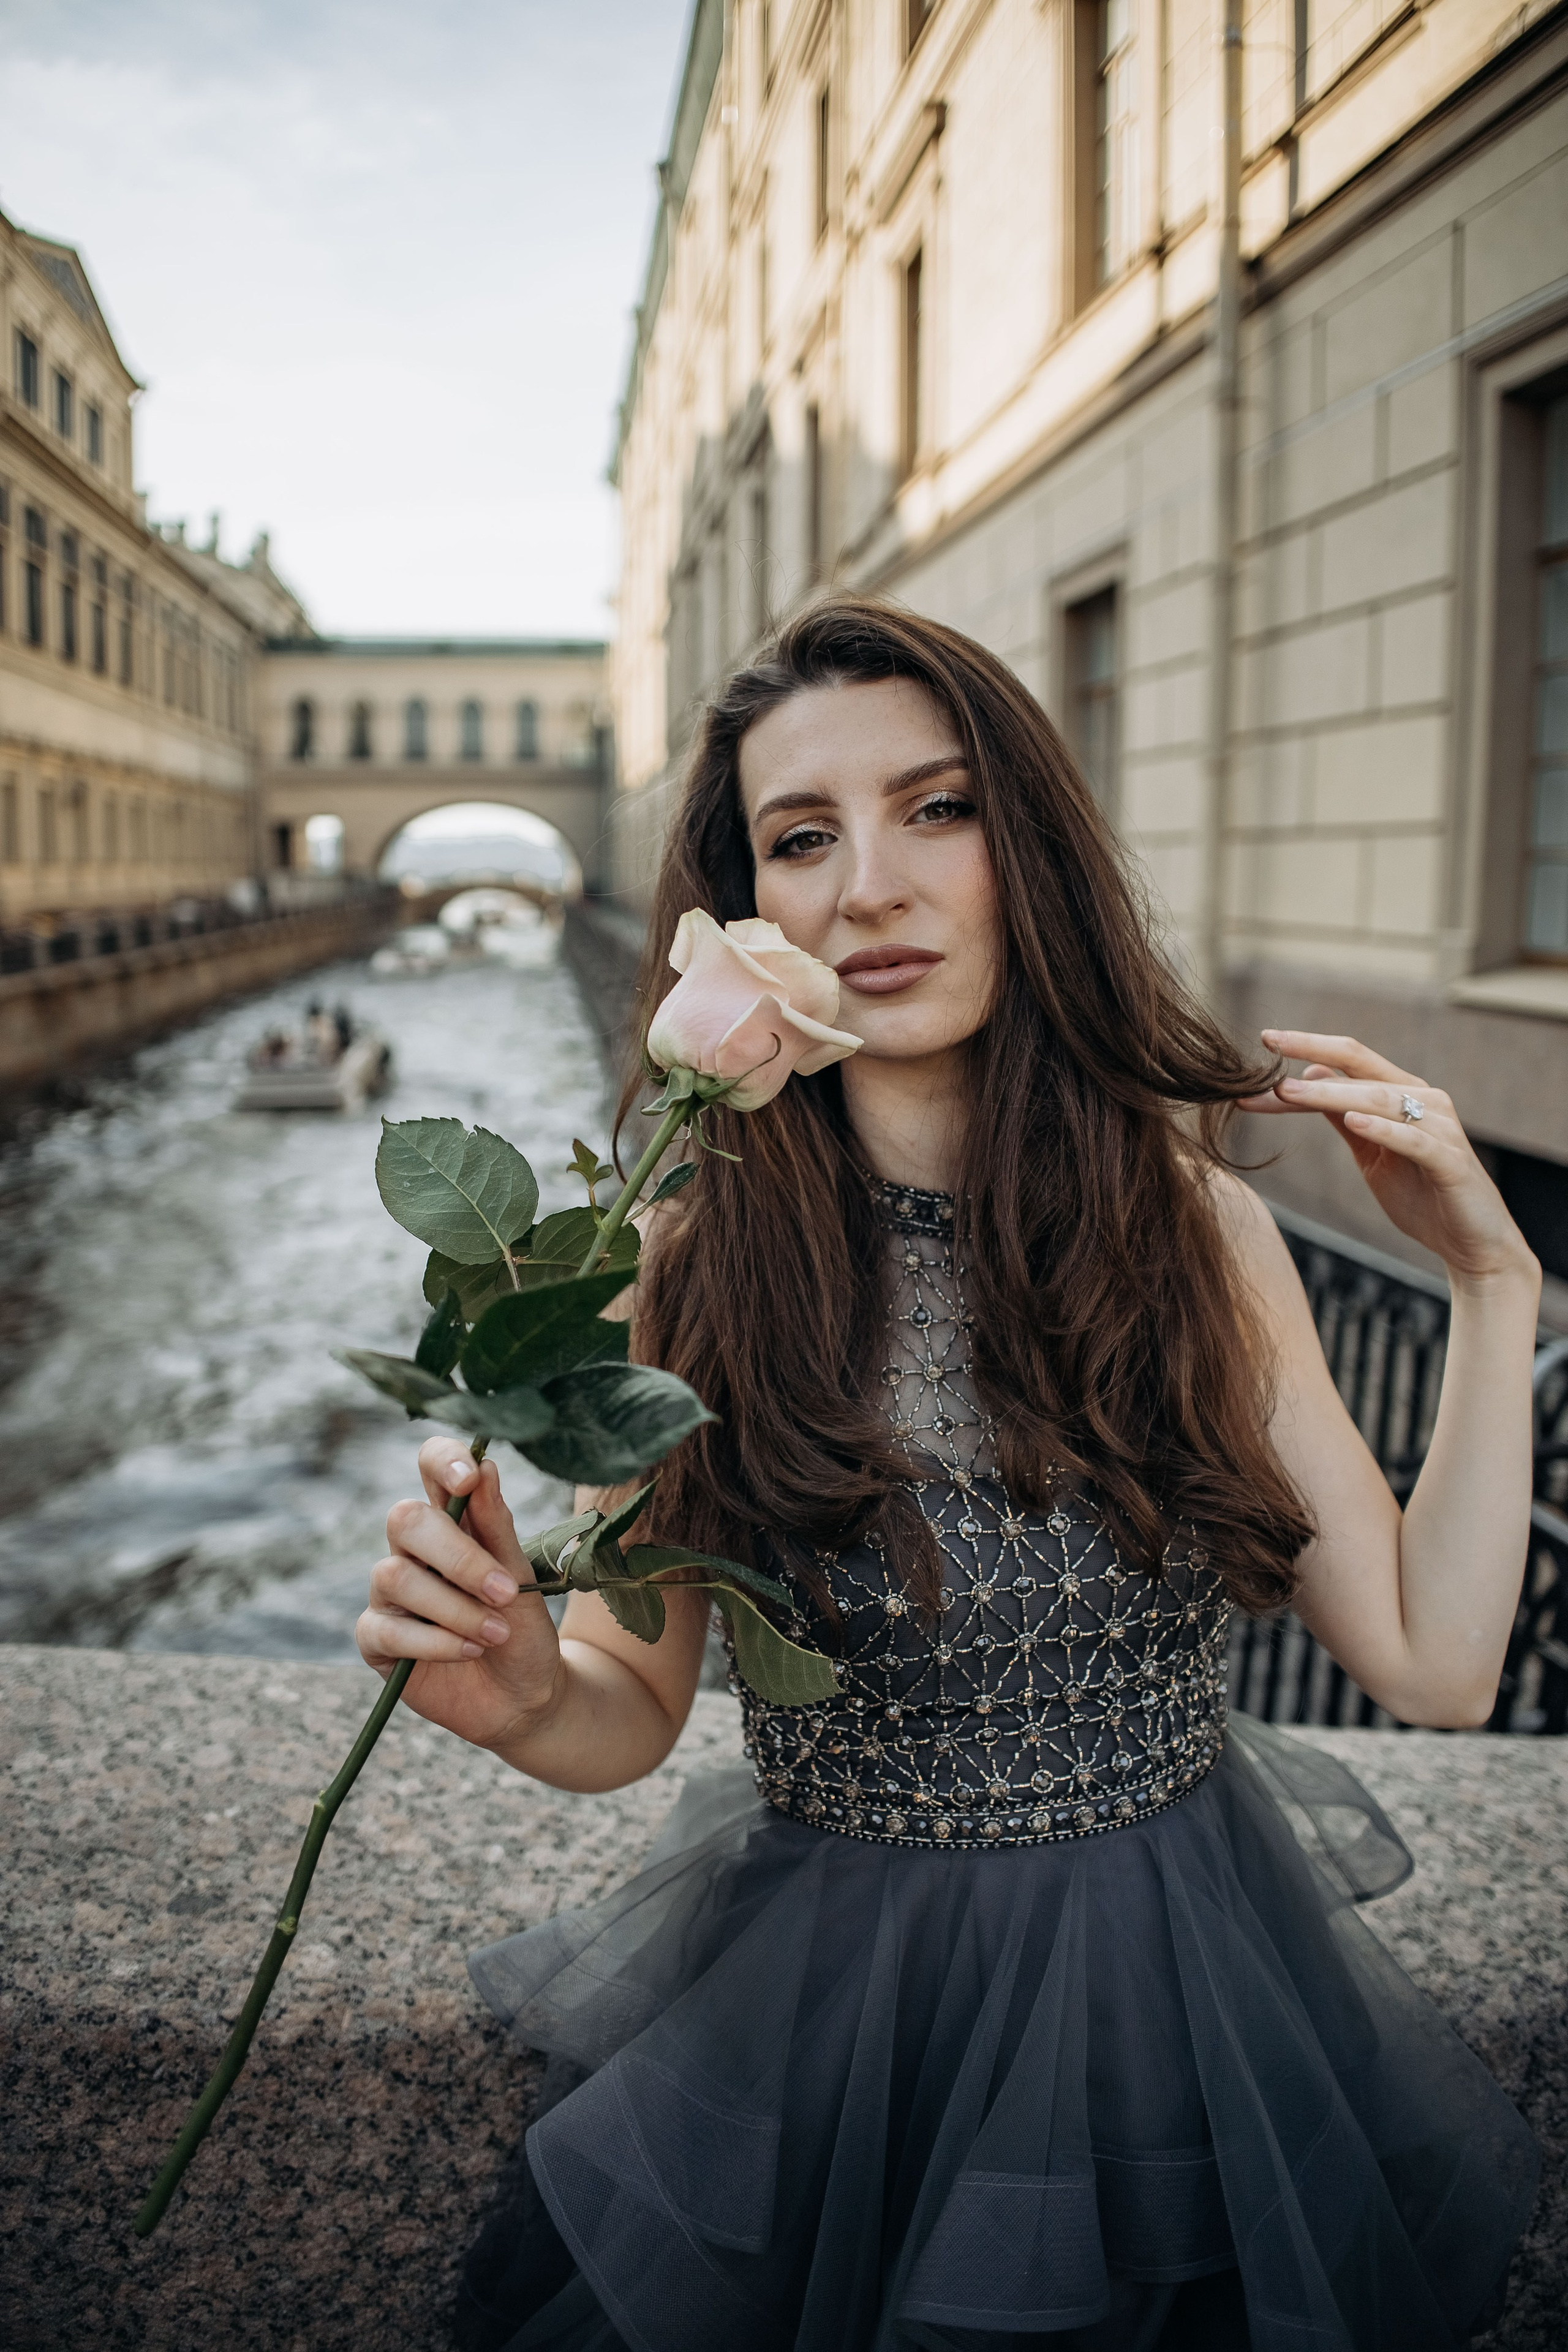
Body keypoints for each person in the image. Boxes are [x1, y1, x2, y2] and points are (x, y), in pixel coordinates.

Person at [357, 599, 1541, 2352]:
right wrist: (529, 1690)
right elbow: (632, 1704)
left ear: (1027, 848)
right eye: (802, 839)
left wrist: (1495, 1287)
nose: (868, 890)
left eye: (939, 808)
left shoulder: (1192, 1230)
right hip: (840, 2029)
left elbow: (1439, 1670)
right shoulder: (681, 1269)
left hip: (1186, 2009)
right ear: (745, 914)